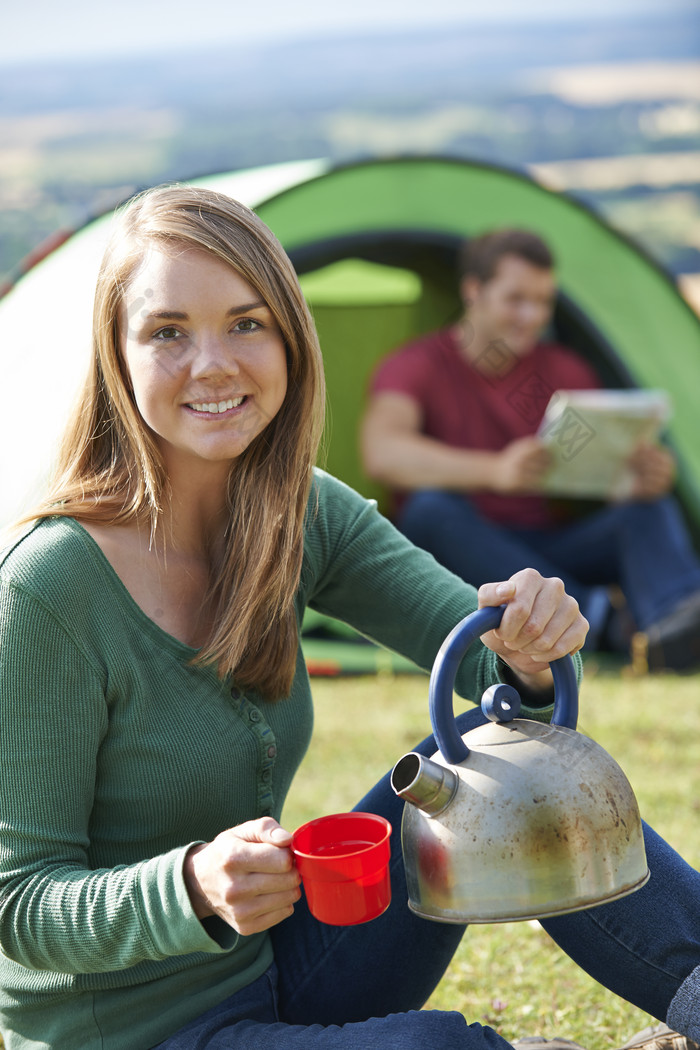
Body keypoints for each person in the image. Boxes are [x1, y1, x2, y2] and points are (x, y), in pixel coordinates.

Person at [0, 187, 699, 1050]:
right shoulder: (50, 588)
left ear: (290, 338)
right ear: (117, 355)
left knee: (509, 774)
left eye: (246, 323)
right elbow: (16, 903)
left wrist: (527, 650)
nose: (213, 362)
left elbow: (495, 675)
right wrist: (187, 886)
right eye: (169, 331)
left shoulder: (302, 515)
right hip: (131, 1032)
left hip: (277, 968)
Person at [361, 229, 700, 671]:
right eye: (516, 300)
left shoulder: (561, 370)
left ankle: (672, 625)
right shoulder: (416, 365)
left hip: (548, 551)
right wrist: (495, 471)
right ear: (474, 291)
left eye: (542, 302)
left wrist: (634, 481)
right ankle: (599, 620)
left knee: (645, 512)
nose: (532, 316)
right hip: (463, 553)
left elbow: (594, 466)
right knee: (428, 512)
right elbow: (383, 452)